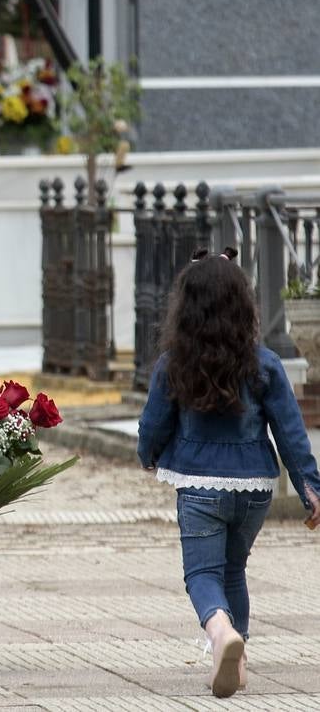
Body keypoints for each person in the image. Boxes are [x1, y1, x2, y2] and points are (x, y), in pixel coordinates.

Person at [138, 249, 320, 699]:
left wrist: (149, 454)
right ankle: (237, 668)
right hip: (255, 488)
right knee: (234, 570)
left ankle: (221, 634)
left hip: (199, 486)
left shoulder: (173, 364)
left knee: (201, 575)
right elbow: (292, 434)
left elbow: (153, 424)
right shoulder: (265, 364)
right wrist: (311, 488)